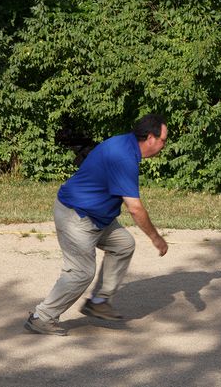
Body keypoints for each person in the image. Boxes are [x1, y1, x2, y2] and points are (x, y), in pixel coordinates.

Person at [24, 114, 169, 336]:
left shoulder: (126, 144)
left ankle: (99, 301)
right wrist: (156, 238)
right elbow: (135, 208)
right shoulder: (124, 157)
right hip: (76, 215)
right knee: (81, 272)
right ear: (150, 137)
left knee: (123, 245)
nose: (164, 145)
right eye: (163, 140)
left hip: (97, 217)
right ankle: (42, 317)